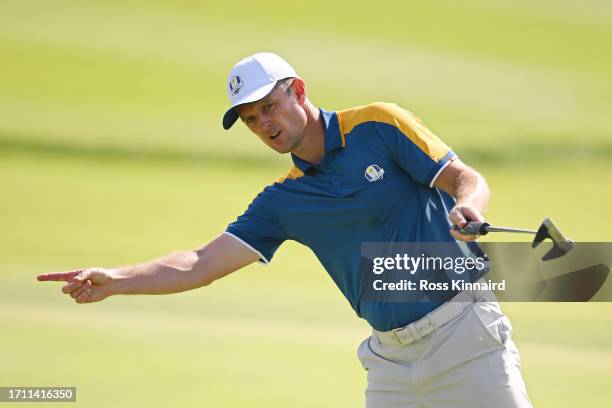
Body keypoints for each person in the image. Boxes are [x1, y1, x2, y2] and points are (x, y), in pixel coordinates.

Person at [38, 52, 532, 408]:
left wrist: (467, 206)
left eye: (268, 108)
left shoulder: (378, 125)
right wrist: (116, 280)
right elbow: (200, 263)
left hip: (463, 336)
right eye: (251, 120)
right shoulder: (283, 200)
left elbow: (465, 178)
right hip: (391, 363)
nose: (263, 125)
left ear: (297, 90)